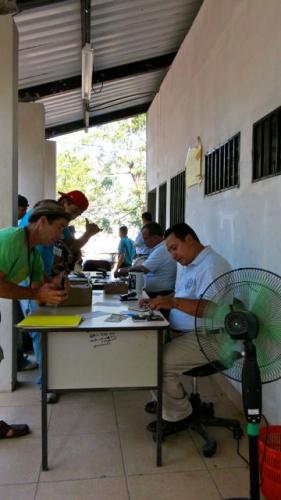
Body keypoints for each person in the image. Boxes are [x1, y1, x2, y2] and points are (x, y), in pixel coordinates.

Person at [141, 222, 231, 437]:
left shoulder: (212, 265)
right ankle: (170, 402)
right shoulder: (189, 265)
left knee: (157, 363)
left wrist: (172, 303)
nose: (173, 255)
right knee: (145, 352)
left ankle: (180, 414)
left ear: (189, 239)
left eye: (174, 248)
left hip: (210, 337)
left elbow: (211, 309)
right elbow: (182, 297)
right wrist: (158, 302)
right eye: (169, 250)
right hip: (187, 333)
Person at [19, 191, 101, 402]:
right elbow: (28, 257)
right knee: (40, 328)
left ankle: (54, 375)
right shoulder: (34, 221)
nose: (59, 235)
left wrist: (55, 273)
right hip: (30, 279)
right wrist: (38, 288)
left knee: (51, 327)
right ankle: (46, 383)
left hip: (43, 276)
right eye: (73, 211)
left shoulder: (59, 225)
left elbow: (67, 248)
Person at [0, 200, 70, 438]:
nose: (60, 234)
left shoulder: (34, 257)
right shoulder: (12, 239)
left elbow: (40, 294)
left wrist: (57, 287)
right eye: (59, 227)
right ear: (42, 222)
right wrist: (36, 293)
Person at [128, 222, 177, 299]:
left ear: (155, 237)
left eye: (146, 238)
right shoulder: (158, 249)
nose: (144, 241)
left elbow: (143, 269)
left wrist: (123, 271)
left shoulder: (161, 250)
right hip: (156, 293)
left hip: (160, 295)